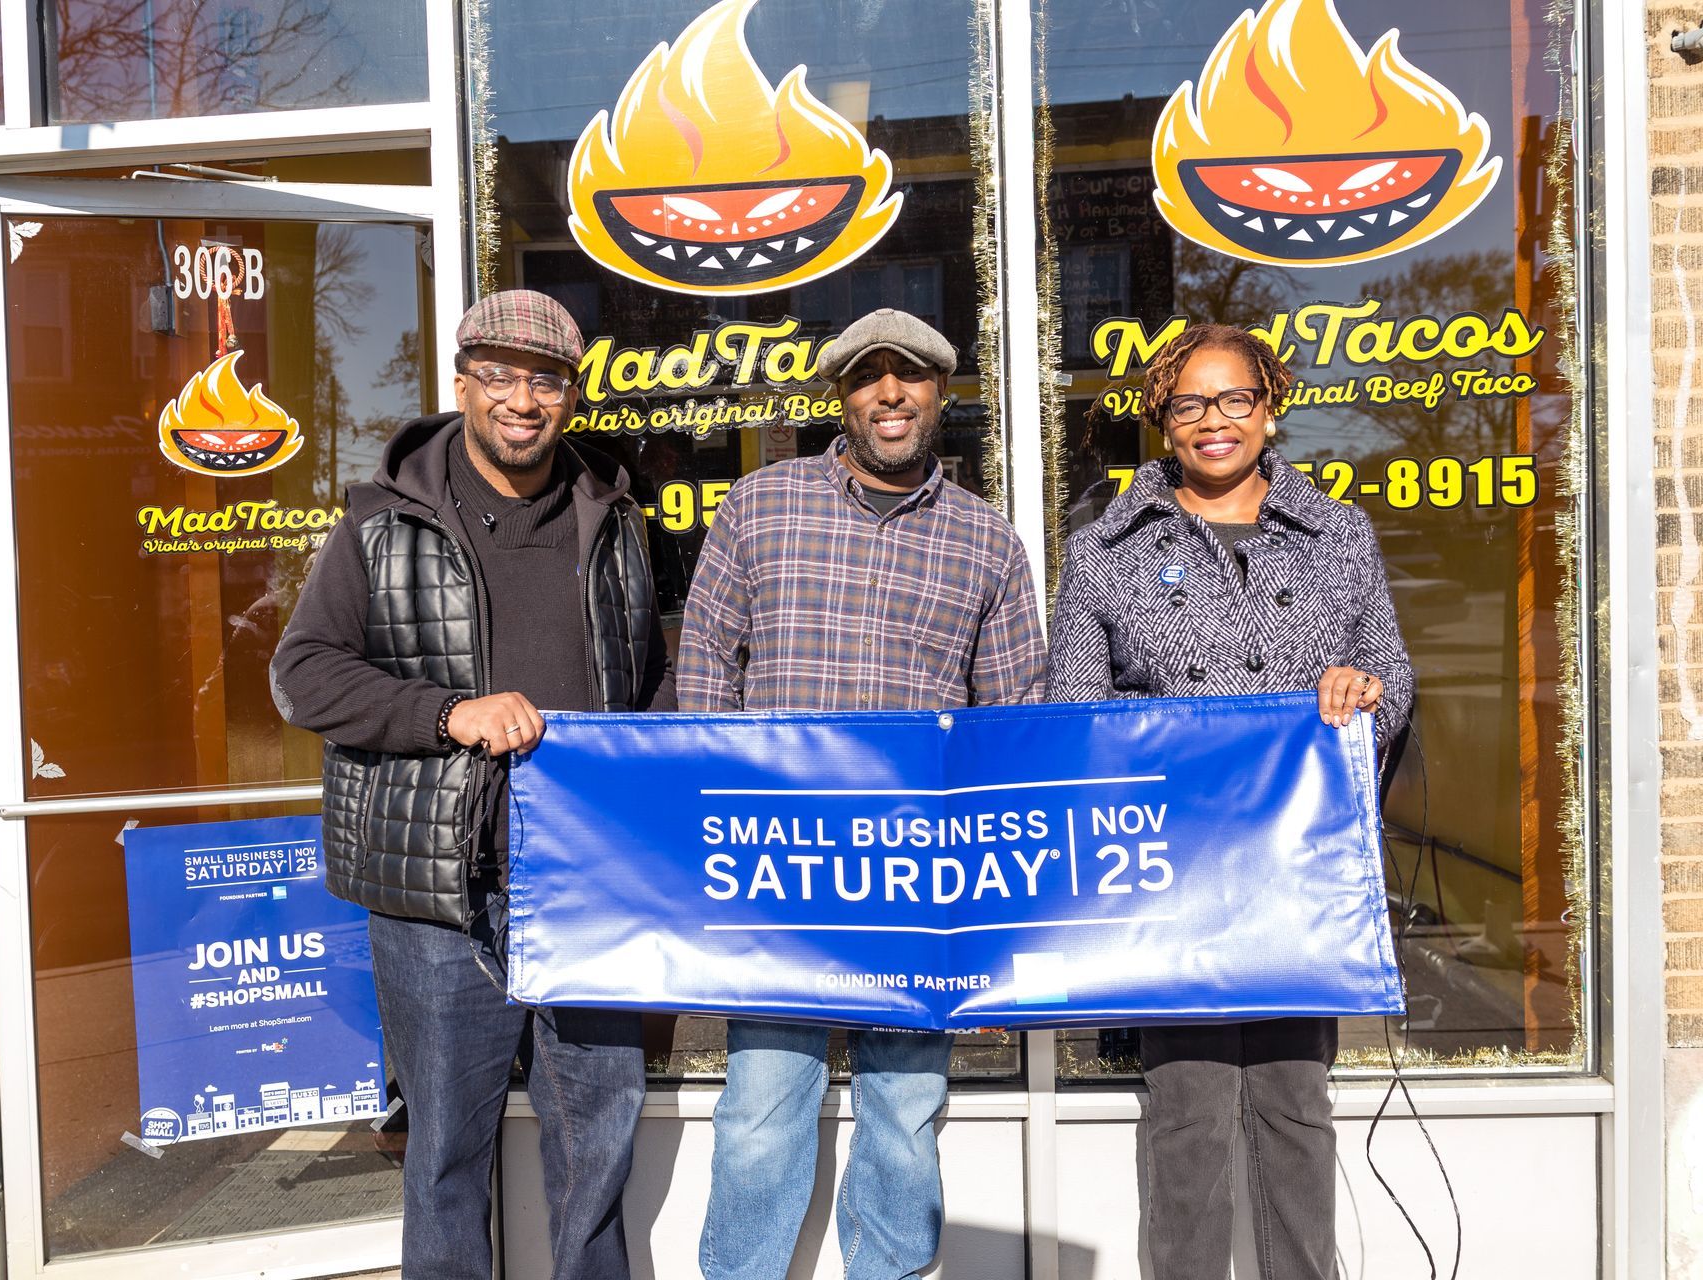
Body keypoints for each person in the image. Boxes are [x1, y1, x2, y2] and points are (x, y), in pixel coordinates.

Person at [270, 289, 674, 1280]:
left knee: (598, 1148)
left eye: (544, 378)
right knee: (447, 1152)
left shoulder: (616, 516)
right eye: (498, 374)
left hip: (589, 890)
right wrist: (448, 714)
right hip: (442, 898)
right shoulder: (380, 522)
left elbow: (648, 681)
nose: (522, 398)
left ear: (572, 393)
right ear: (461, 383)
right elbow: (305, 672)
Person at [679, 308, 1047, 1279]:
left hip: (917, 881)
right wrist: (716, 822)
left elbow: (1013, 724)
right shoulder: (759, 507)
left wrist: (997, 907)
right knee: (761, 1108)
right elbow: (706, 673)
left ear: (940, 391)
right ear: (841, 397)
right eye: (867, 375)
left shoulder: (988, 542)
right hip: (780, 867)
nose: (890, 392)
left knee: (902, 1112)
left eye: (912, 373)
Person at [1043, 322, 1415, 1279]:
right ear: (1163, 422)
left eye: (1234, 399)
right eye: (1189, 404)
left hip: (1299, 872)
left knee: (1298, 1103)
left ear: (1270, 406)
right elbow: (1076, 723)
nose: (1214, 422)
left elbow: (1393, 676)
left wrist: (1362, 695)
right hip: (1177, 880)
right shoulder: (1103, 555)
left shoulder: (1338, 533)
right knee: (1188, 1114)